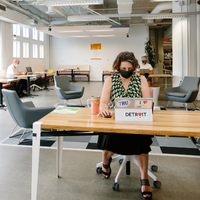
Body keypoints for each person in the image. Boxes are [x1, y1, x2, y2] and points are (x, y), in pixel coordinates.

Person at [97, 52, 153, 200]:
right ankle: (105, 162)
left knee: (142, 140)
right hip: (115, 119)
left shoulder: (141, 79)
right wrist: (104, 110)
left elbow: (147, 101)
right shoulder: (110, 80)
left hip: (137, 119)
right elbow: (103, 102)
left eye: (130, 68)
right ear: (117, 66)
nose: (126, 70)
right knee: (107, 134)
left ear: (134, 67)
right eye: (123, 68)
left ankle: (144, 179)